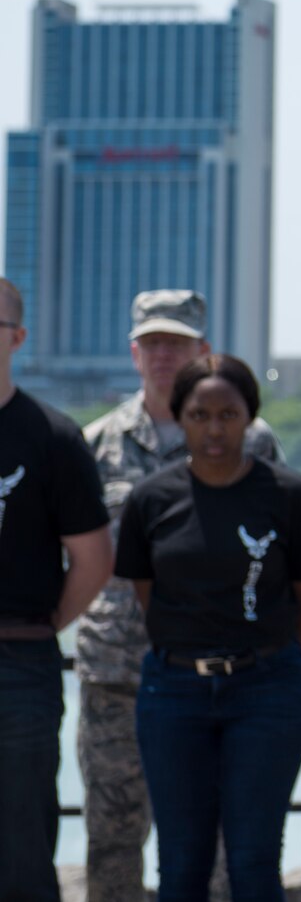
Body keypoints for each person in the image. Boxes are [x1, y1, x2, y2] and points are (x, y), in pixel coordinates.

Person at [78, 290, 287, 902]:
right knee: (113, 832)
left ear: (204, 351)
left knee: (223, 842)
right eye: (152, 343)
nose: (164, 354)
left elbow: (284, 551)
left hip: (219, 670)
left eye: (178, 343)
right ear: (134, 352)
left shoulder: (255, 441)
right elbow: (76, 551)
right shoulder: (97, 444)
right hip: (118, 667)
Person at [112, 354, 301, 902]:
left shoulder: (288, 495)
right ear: (180, 417)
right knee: (181, 864)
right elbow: (147, 592)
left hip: (266, 692)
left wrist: (281, 661)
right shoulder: (151, 500)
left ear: (250, 419)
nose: (214, 428)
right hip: (174, 692)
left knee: (254, 861)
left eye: (228, 414)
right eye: (199, 413)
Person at [0, 277, 113, 902]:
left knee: (21, 841)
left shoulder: (53, 438)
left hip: (19, 661)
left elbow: (93, 560)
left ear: (17, 338)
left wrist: (41, 624)